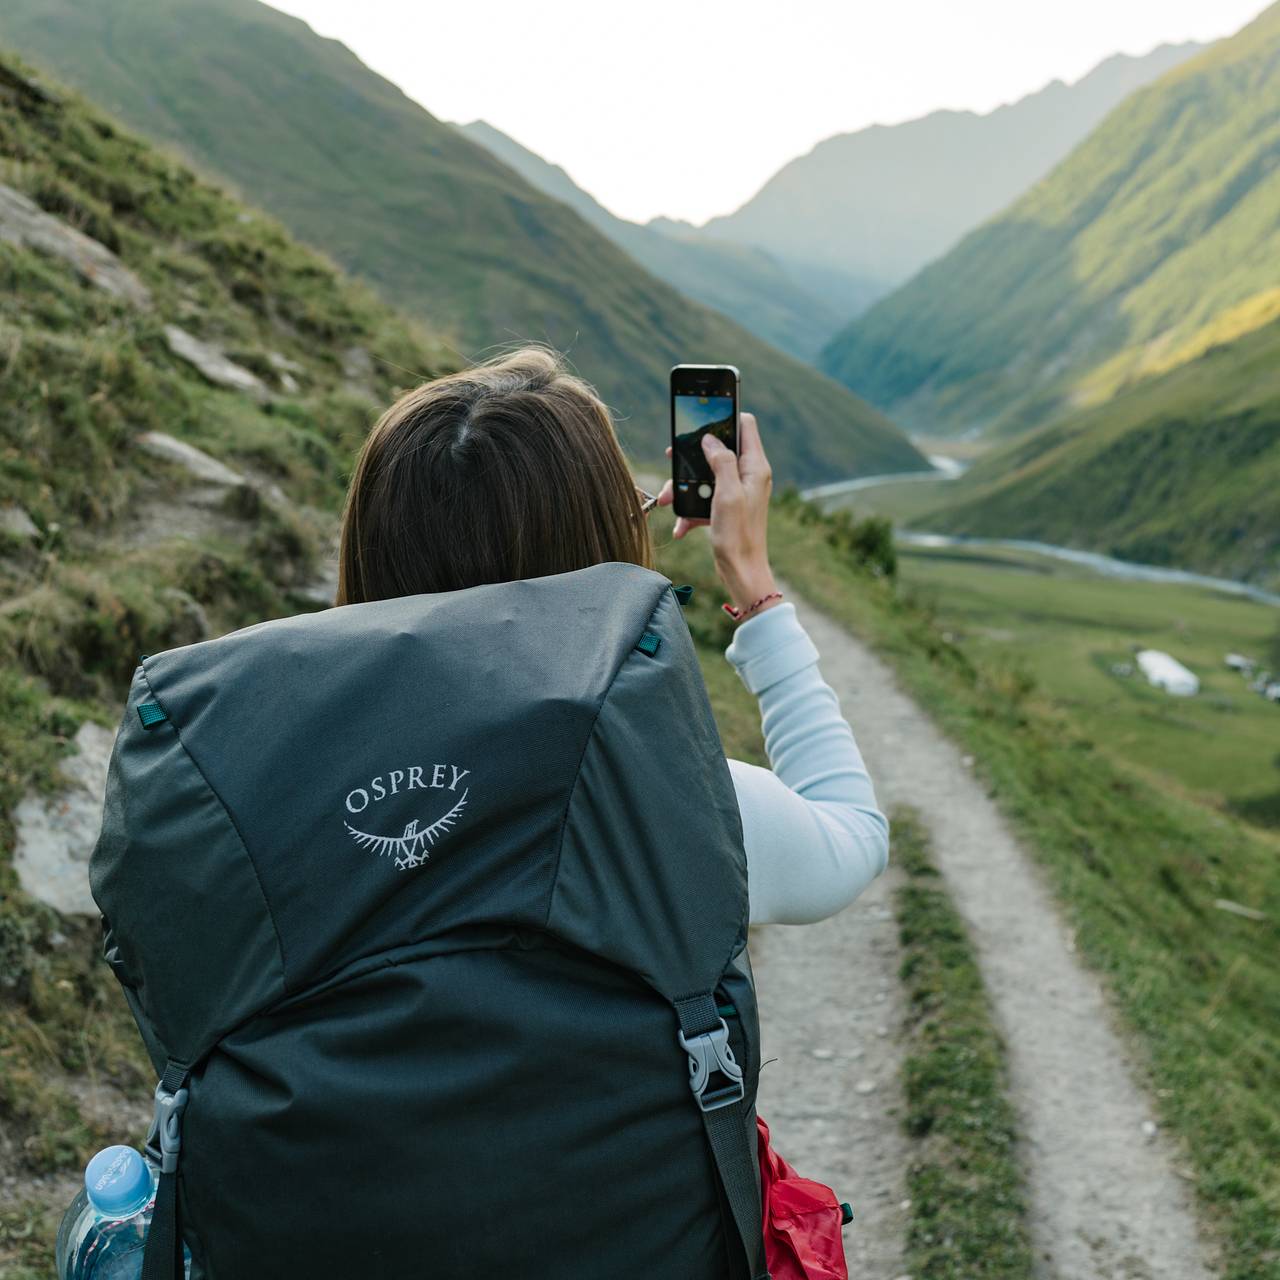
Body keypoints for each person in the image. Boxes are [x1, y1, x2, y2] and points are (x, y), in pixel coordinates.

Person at [338, 346, 889, 925]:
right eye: (632, 508)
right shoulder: (674, 800)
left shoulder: (283, 783)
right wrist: (755, 589)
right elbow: (855, 834)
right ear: (594, 556)